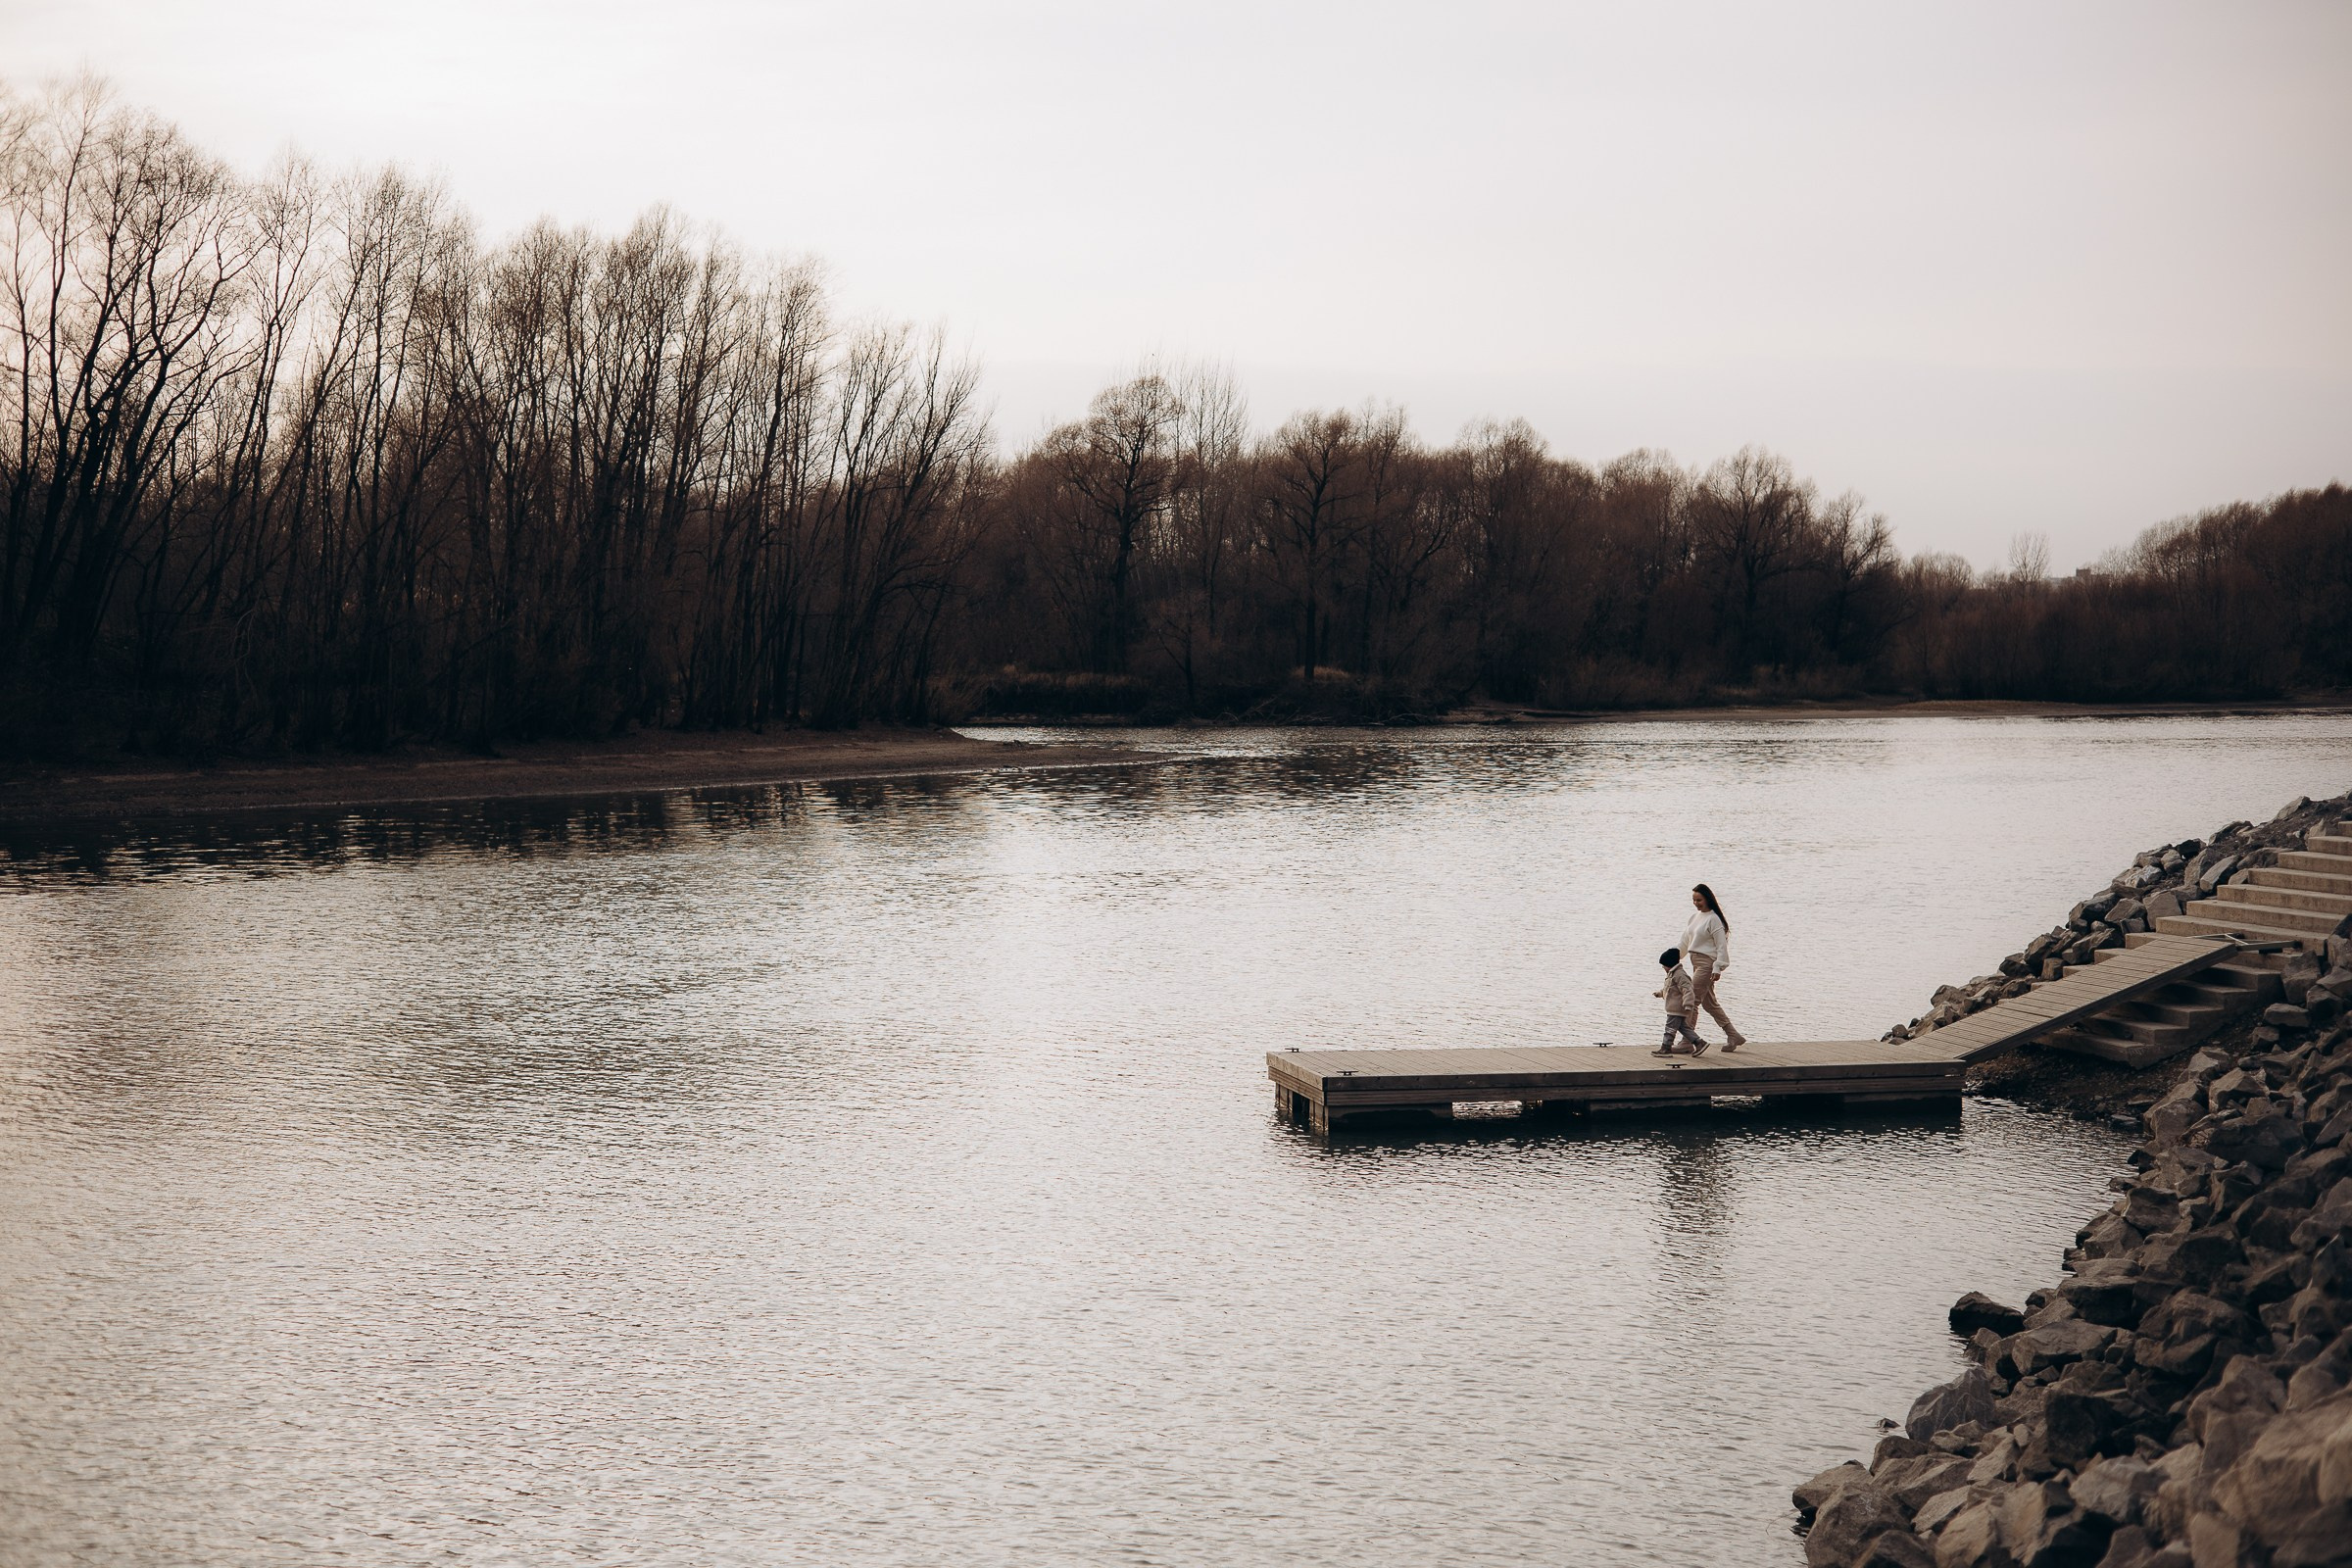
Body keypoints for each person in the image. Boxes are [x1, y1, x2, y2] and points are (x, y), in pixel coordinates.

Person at [1683, 883, 1746, 1051]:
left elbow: (1721, 946)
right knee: (1709, 1003)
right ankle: (1733, 1035)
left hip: (1707, 964)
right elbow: (1685, 942)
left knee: (1692, 1000)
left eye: (1699, 900)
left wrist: (1718, 967)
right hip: (1695, 962)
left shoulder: (1714, 919)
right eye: (1694, 900)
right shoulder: (1694, 918)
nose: (1696, 903)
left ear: (1708, 899)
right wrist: (1673, 958)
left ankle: (1687, 1041)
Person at [1652, 947, 1709, 1056]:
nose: (1663, 967)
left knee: (1669, 1028)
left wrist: (1688, 1004)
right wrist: (1660, 993)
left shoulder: (1680, 975)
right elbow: (1669, 989)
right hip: (1674, 1008)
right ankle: (1699, 1043)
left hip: (1677, 1008)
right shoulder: (1672, 974)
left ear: (1670, 964)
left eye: (1664, 965)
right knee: (1683, 1028)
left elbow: (1688, 990)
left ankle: (1666, 1048)